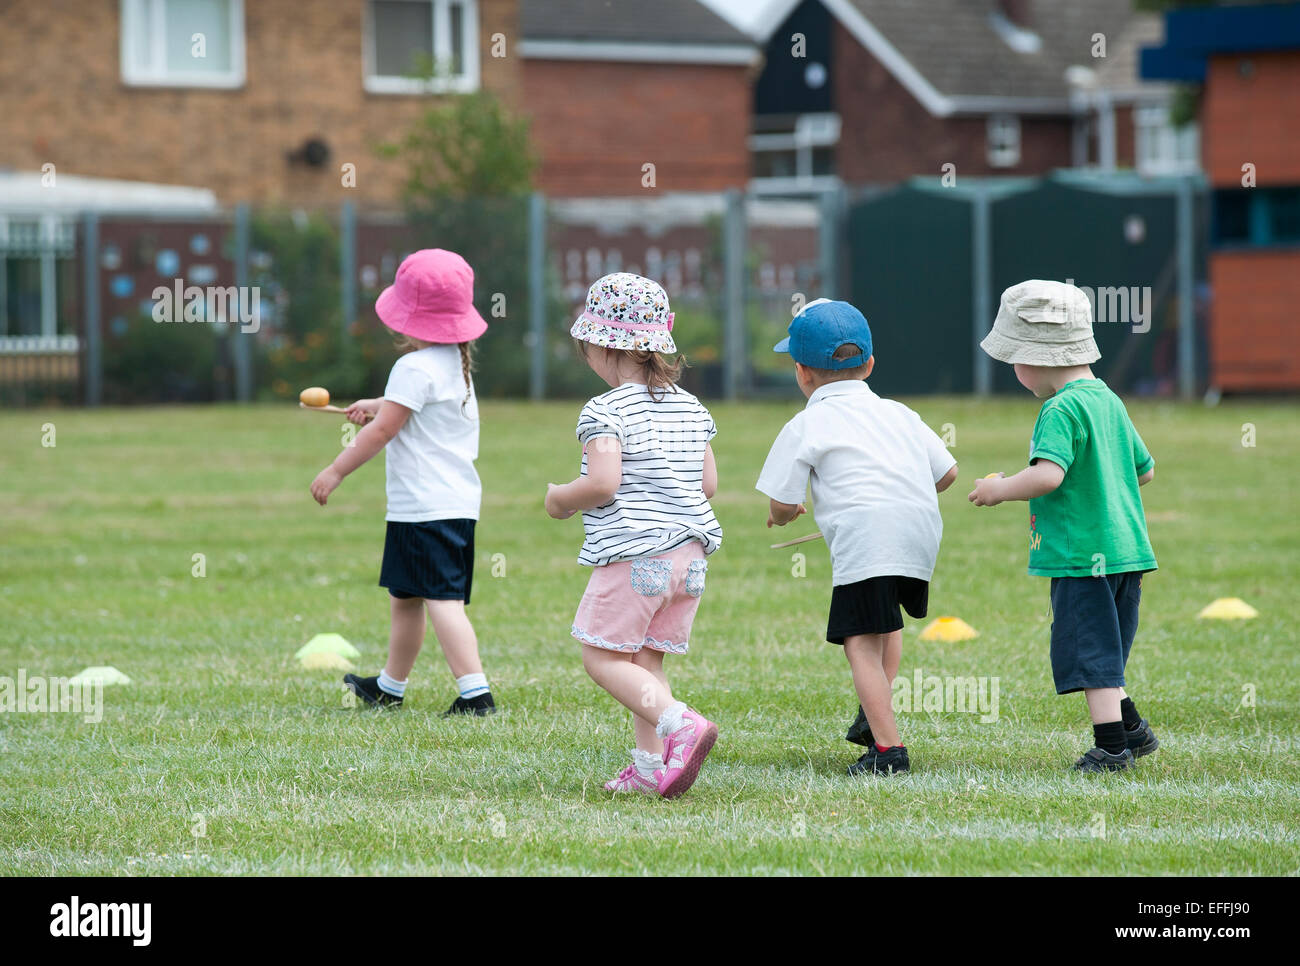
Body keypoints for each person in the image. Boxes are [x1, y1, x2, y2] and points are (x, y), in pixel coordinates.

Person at [757, 299, 958, 776]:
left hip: (868, 540)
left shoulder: (806, 423)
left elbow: (782, 504)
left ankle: (888, 752)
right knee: (887, 624)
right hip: (919, 536)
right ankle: (875, 713)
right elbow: (947, 473)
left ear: (802, 372)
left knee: (860, 642)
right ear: (869, 364)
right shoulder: (900, 413)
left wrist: (783, 516)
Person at [969, 280, 1159, 772]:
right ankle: (1133, 730)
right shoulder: (1108, 399)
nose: (1014, 370)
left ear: (1034, 357)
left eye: (1013, 358)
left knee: (1091, 654)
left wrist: (997, 489)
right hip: (1127, 553)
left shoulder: (1059, 408)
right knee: (1107, 649)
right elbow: (1144, 470)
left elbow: (1048, 476)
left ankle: (1111, 748)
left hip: (1082, 557)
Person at [545, 273, 722, 798]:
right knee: (645, 661)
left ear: (601, 346)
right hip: (689, 560)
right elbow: (708, 484)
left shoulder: (606, 410)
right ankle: (648, 768)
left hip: (637, 556)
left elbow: (602, 483)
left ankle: (681, 724)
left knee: (601, 658)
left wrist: (560, 498)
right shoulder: (691, 407)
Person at [311, 249, 496, 718]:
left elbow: (383, 432)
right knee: (406, 598)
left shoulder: (413, 368)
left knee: (442, 602)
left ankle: (476, 695)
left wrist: (335, 470)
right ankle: (389, 688)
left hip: (425, 510)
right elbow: (406, 409)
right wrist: (377, 403)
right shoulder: (453, 362)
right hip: (450, 505)